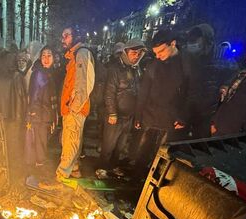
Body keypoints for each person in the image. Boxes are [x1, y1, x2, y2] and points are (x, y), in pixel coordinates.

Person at [135, 29, 193, 143]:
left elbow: (191, 94)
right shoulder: (153, 65)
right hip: (149, 119)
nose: (157, 56)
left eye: (161, 51)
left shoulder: (186, 64)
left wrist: (183, 117)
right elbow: (143, 92)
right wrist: (138, 115)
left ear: (173, 44)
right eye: (155, 53)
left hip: (171, 122)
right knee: (142, 154)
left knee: (161, 156)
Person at [99, 39, 145, 173]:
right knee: (109, 145)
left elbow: (137, 92)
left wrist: (136, 115)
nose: (136, 56)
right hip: (115, 116)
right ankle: (102, 167)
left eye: (139, 53)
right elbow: (109, 92)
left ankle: (113, 166)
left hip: (128, 116)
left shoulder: (136, 69)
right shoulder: (115, 69)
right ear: (126, 52)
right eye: (133, 52)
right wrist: (112, 113)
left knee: (120, 145)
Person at [56, 25, 95, 180]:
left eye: (66, 35)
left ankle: (61, 176)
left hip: (75, 109)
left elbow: (84, 84)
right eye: (63, 36)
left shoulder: (82, 54)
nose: (63, 39)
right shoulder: (75, 55)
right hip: (72, 108)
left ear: (76, 36)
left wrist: (74, 107)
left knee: (70, 142)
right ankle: (74, 169)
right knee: (73, 141)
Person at [24, 46, 58, 168]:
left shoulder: (48, 72)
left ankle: (39, 161)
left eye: (49, 55)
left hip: (46, 113)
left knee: (42, 138)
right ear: (39, 57)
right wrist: (34, 112)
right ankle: (39, 164)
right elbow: (34, 95)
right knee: (39, 138)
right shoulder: (39, 73)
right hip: (40, 114)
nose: (46, 58)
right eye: (43, 55)